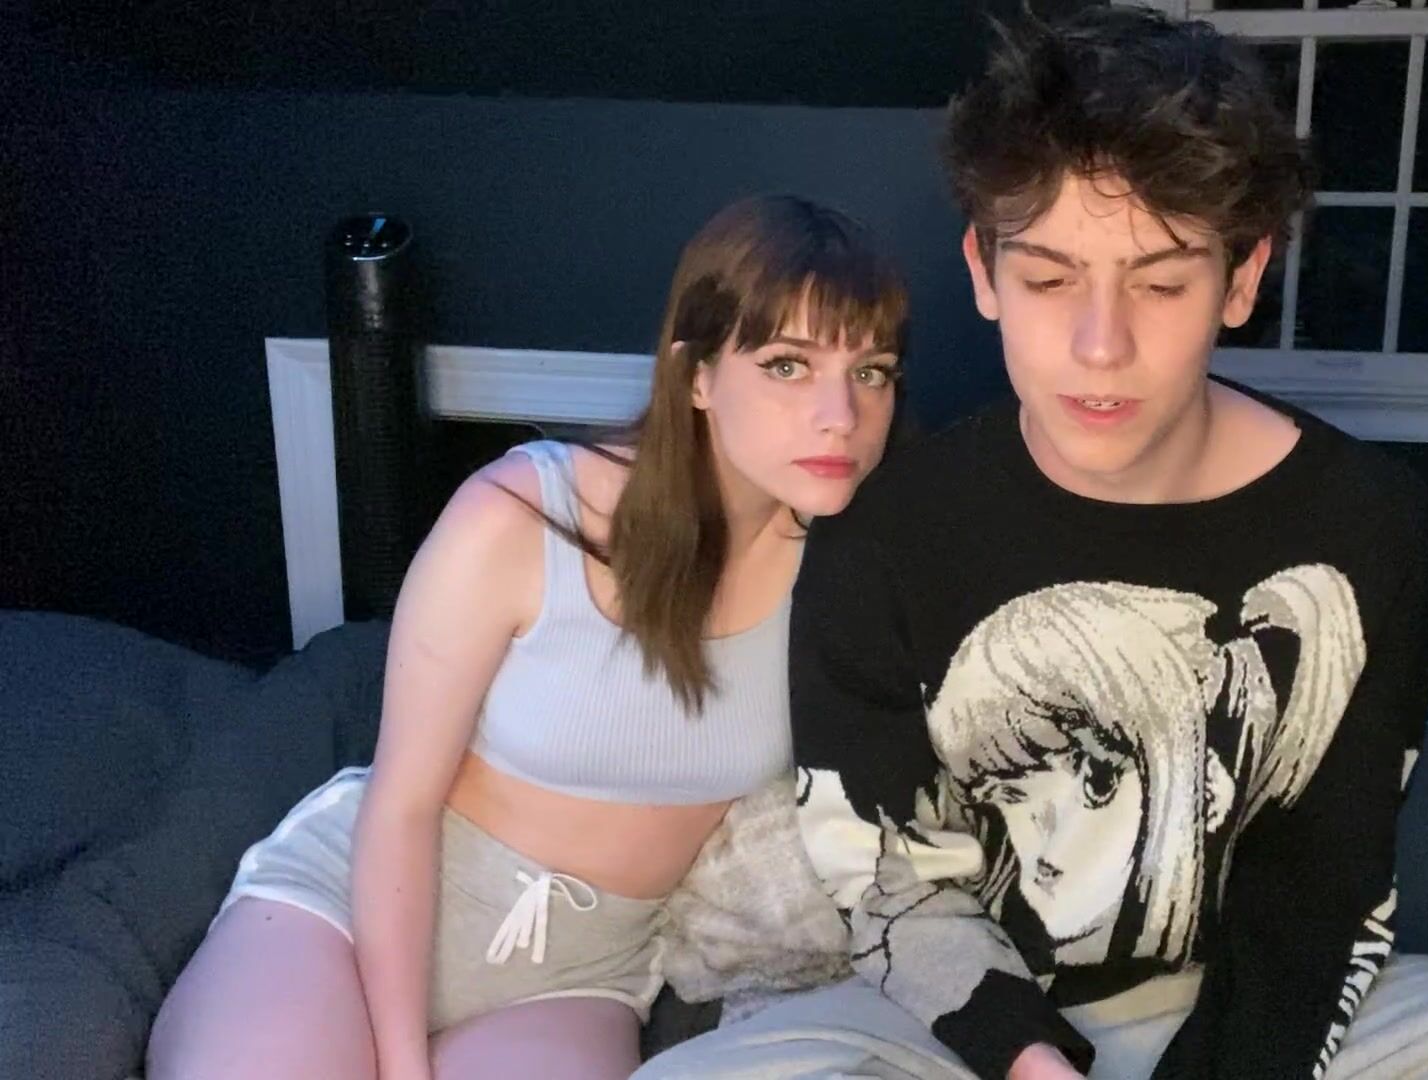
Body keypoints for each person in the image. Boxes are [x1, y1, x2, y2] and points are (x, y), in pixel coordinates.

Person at [634, 8, 1428, 1080]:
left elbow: (1322, 883)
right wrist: (1030, 1063)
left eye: (1160, 283)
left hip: (1248, 1010)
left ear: (1241, 278)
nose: (1100, 346)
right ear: (984, 274)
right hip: (961, 1029)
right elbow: (886, 868)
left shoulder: (1366, 524)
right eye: (1050, 278)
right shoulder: (887, 532)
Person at [145, 193, 908, 1080]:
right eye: (787, 365)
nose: (839, 414)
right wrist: (401, 1063)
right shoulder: (523, 515)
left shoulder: (854, 579)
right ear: (695, 375)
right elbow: (401, 803)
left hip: (578, 976)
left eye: (871, 372)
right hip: (356, 915)